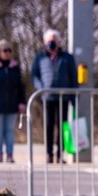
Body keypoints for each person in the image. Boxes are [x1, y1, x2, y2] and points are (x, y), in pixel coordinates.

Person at [31, 29, 78, 164]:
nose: (52, 42)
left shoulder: (67, 57)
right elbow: (34, 75)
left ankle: (60, 154)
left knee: (63, 126)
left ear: (58, 41)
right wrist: (41, 89)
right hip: (47, 97)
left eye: (54, 39)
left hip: (63, 97)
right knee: (49, 125)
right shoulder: (40, 57)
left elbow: (73, 77)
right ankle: (49, 154)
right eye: (49, 40)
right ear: (45, 42)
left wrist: (74, 96)